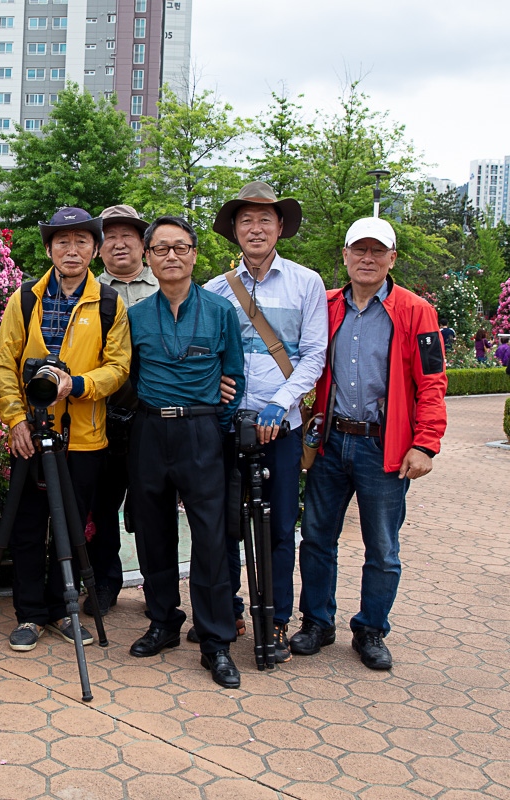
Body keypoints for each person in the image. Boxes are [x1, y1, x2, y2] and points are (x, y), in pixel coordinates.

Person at [292, 217, 447, 671]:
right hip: (330, 441)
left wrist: (426, 443)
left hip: (385, 448)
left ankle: (371, 630)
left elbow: (433, 381)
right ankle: (317, 622)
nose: (367, 258)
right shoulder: (326, 305)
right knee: (317, 538)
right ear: (345, 255)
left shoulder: (417, 311)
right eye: (359, 249)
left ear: (391, 259)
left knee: (382, 548)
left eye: (377, 251)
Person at [0, 207, 131, 652]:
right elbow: (4, 363)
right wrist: (15, 419)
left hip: (85, 437)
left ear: (95, 249)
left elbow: (119, 367)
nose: (72, 250)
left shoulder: (108, 302)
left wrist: (78, 385)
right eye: (62, 242)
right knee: (28, 526)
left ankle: (60, 609)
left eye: (81, 241)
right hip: (31, 433)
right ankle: (30, 614)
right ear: (49, 248)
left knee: (71, 526)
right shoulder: (24, 299)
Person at [203, 181, 328, 661]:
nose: (255, 229)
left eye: (265, 220)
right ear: (234, 229)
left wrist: (282, 401)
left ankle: (275, 620)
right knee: (223, 524)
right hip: (228, 426)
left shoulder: (306, 282)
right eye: (246, 221)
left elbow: (314, 353)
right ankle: (230, 610)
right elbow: (207, 355)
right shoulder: (216, 289)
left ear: (279, 227)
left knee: (278, 529)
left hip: (283, 427)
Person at [125, 216, 245, 688]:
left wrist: (212, 424)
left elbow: (234, 377)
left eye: (180, 247)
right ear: (148, 258)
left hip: (202, 433)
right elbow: (131, 376)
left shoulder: (220, 311)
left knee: (210, 539)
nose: (171, 256)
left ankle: (216, 642)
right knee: (152, 531)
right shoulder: (136, 316)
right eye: (161, 248)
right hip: (150, 431)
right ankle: (163, 622)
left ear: (194, 254)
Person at [83, 204, 156, 616]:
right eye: (109, 236)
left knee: (151, 507)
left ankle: (157, 586)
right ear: (99, 246)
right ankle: (105, 581)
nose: (119, 243)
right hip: (102, 416)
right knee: (102, 507)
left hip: (151, 418)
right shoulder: (89, 291)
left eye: (127, 234)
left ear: (143, 243)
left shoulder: (165, 283)